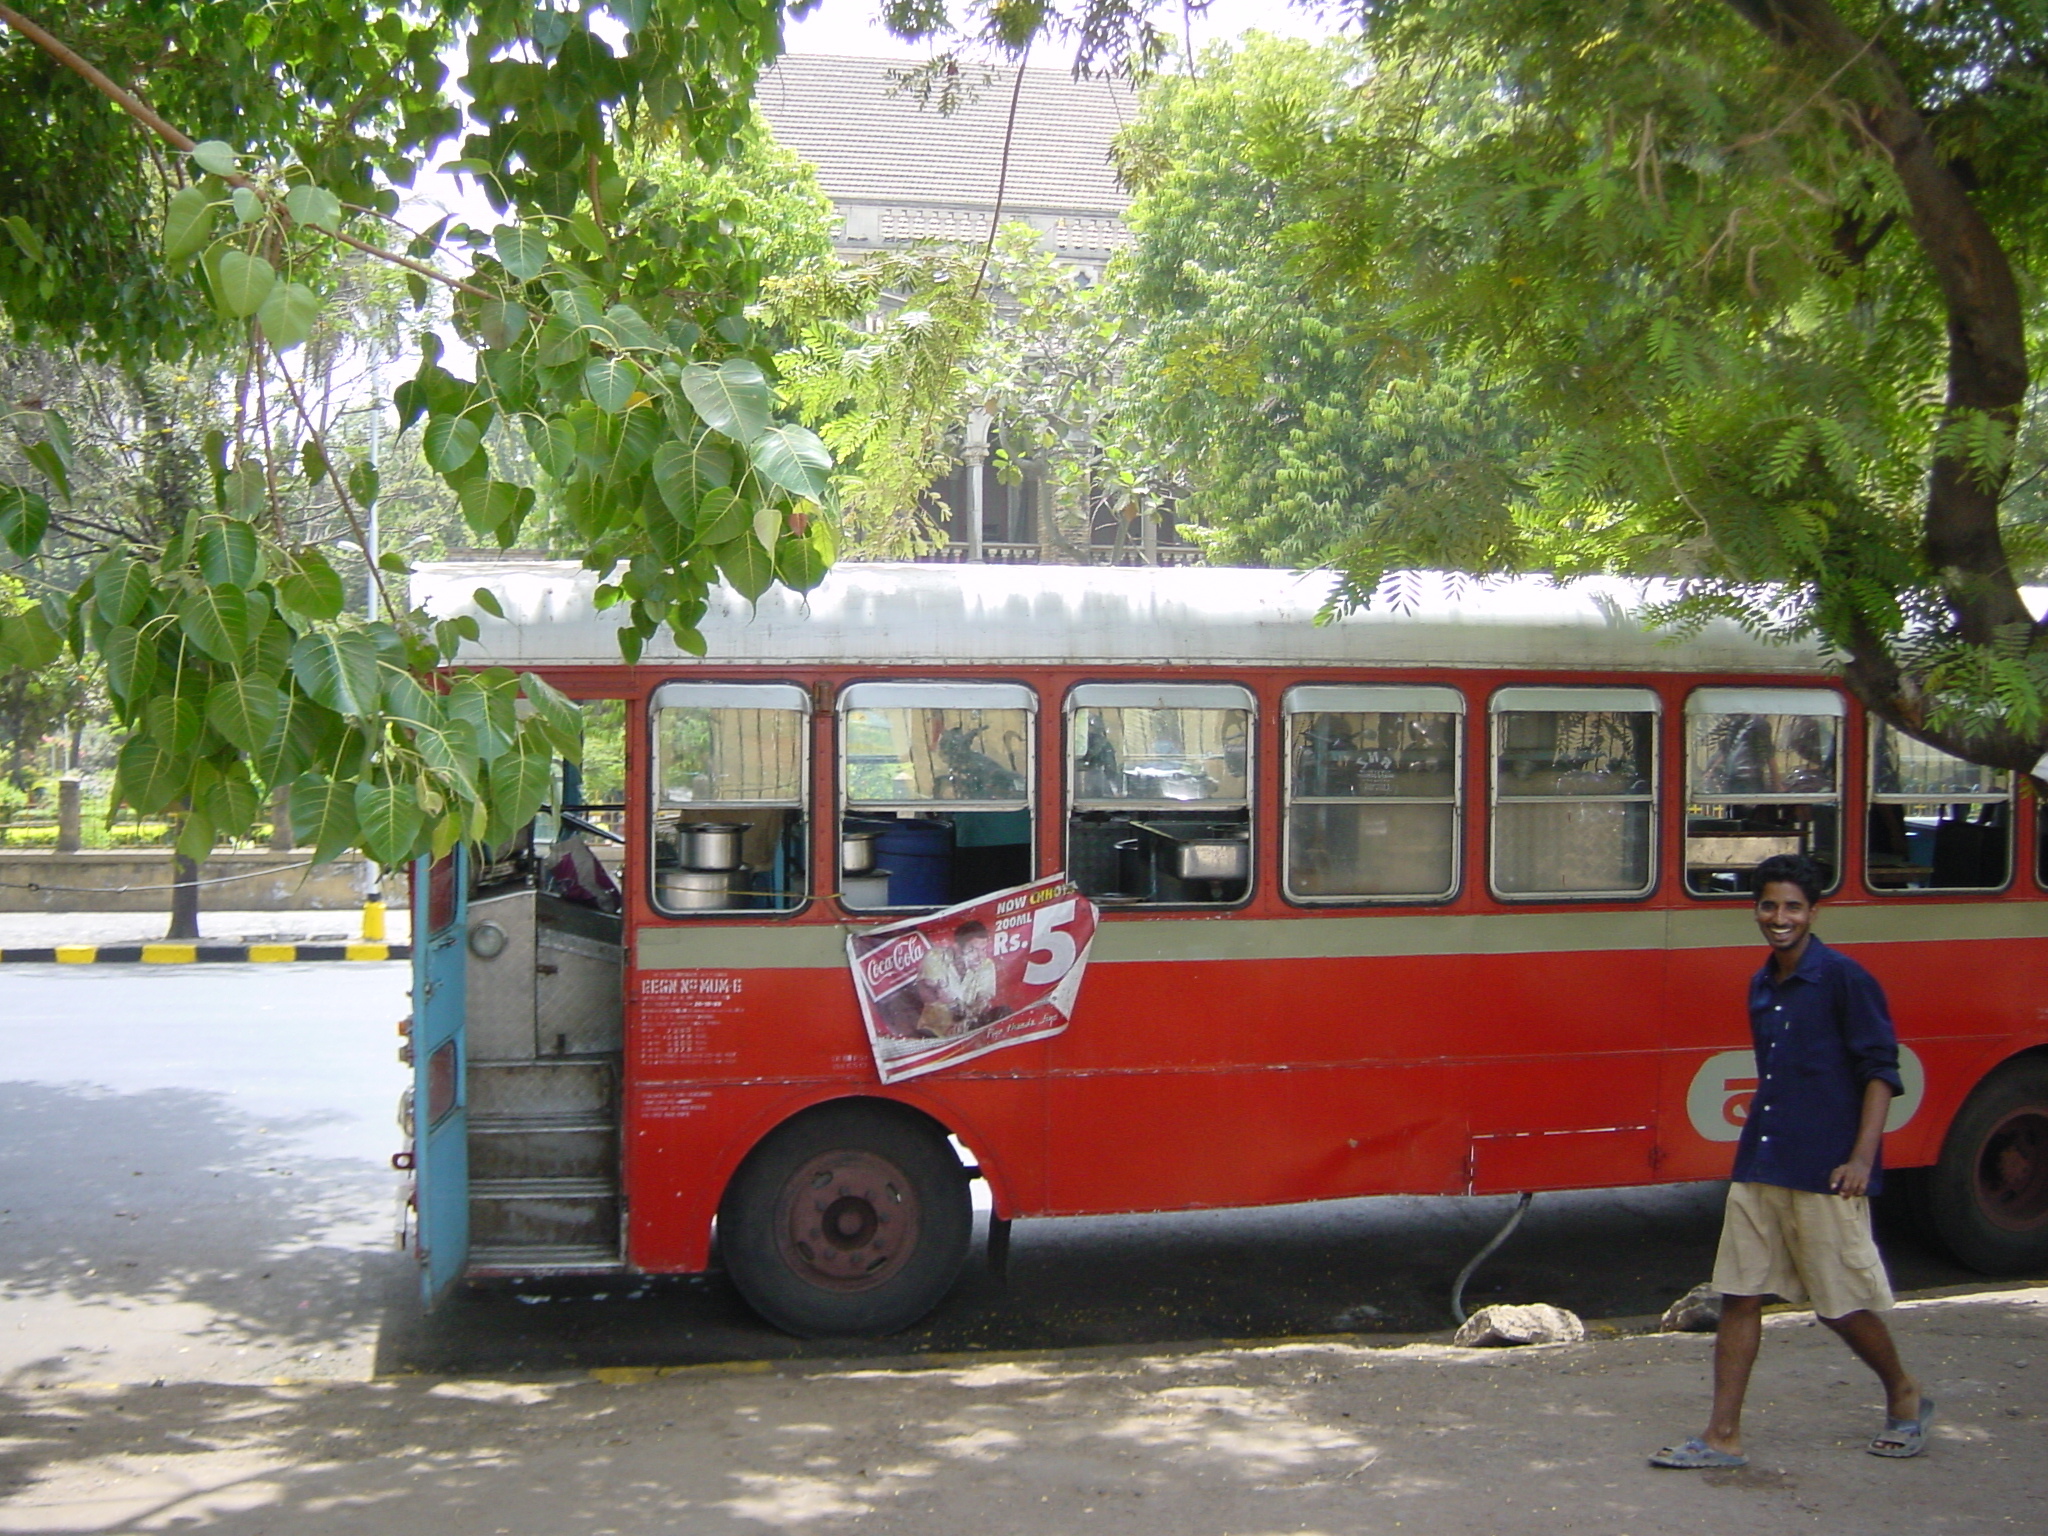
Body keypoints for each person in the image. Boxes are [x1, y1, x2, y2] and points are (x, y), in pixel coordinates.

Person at [1652, 852, 1931, 1468]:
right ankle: (1722, 1437)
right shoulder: (1761, 984)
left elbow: (1881, 1073)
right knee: (1738, 1296)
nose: (1780, 918)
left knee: (1840, 1306)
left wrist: (1861, 1159)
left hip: (1826, 1169)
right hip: (1761, 1161)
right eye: (1769, 905)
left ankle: (1905, 1395)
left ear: (1813, 912)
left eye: (1792, 907)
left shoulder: (1845, 980)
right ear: (1756, 909)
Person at [912, 920, 1000, 1038]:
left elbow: (983, 998)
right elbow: (932, 991)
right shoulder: (936, 957)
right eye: (972, 949)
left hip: (970, 1027)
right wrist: (957, 1012)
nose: (980, 956)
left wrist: (968, 1020)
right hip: (936, 1029)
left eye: (983, 949)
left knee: (1002, 1013)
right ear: (957, 947)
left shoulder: (986, 964)